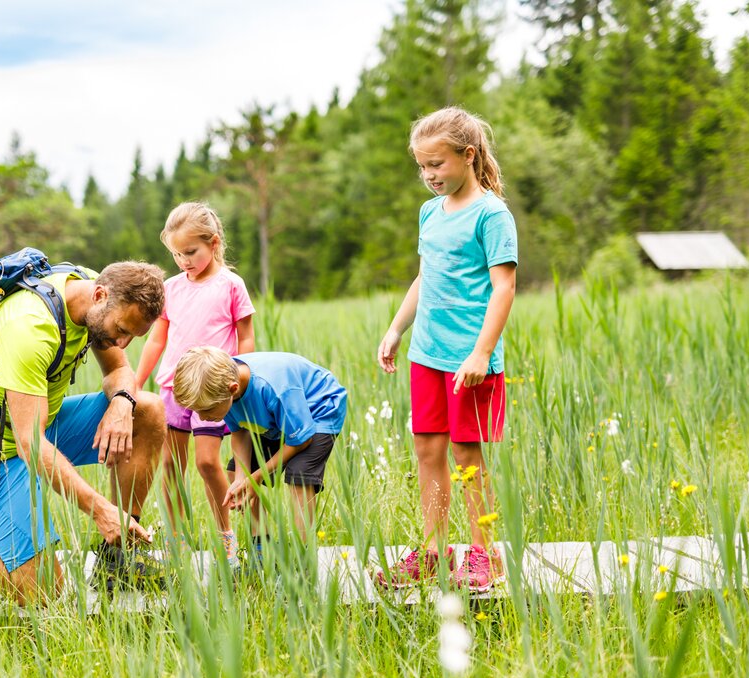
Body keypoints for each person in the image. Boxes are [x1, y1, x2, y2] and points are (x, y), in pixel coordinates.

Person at [0, 261, 169, 606]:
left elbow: (119, 368)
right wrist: (100, 509)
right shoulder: (30, 328)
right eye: (122, 329)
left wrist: (122, 401)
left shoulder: (93, 294)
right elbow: (30, 445)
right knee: (43, 594)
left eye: (134, 336)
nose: (123, 341)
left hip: (41, 424)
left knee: (146, 410)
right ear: (101, 295)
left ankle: (115, 557)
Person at [373, 106, 517, 593]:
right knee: (428, 448)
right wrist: (397, 328)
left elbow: (504, 289)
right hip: (427, 354)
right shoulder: (430, 213)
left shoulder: (492, 214)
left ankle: (484, 555)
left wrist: (481, 354)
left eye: (437, 164)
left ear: (468, 155)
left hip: (469, 360)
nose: (428, 176)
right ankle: (433, 554)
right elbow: (426, 275)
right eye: (422, 166)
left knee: (466, 454)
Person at [135, 202, 255, 568]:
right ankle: (176, 542)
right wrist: (135, 384)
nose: (184, 260)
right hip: (173, 388)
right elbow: (157, 339)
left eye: (191, 252)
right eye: (176, 254)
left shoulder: (231, 285)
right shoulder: (170, 288)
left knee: (207, 463)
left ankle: (226, 537)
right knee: (171, 466)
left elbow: (246, 337)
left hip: (213, 390)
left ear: (214, 243)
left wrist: (241, 374)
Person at [171, 346, 347, 556]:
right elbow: (240, 432)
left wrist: (255, 478)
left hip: (318, 410)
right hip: (279, 419)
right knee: (237, 473)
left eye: (206, 410)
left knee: (299, 474)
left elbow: (301, 440)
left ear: (233, 389)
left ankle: (303, 558)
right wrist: (241, 478)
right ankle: (262, 548)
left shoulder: (274, 387)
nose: (202, 417)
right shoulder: (222, 387)